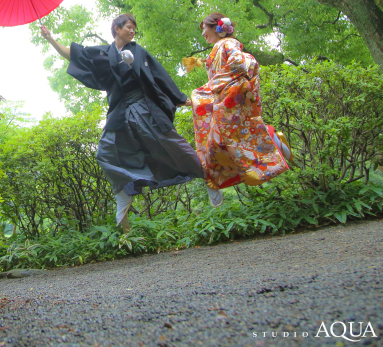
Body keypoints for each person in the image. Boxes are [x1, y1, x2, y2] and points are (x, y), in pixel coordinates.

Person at [41, 13, 222, 230]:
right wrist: (50, 38)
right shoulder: (102, 53)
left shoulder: (138, 51)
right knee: (105, 153)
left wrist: (181, 98)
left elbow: (159, 75)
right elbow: (74, 56)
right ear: (117, 29)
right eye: (128, 26)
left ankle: (208, 178)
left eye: (134, 27)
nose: (132, 30)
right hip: (119, 111)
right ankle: (123, 193)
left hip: (144, 107)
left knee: (170, 142)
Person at [183, 13, 290, 194]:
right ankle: (272, 139)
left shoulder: (228, 43)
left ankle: (272, 141)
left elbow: (241, 62)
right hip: (227, 98)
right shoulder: (219, 47)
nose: (202, 34)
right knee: (221, 142)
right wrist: (197, 99)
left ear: (217, 28)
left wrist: (211, 88)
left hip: (232, 98)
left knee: (220, 140)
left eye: (204, 29)